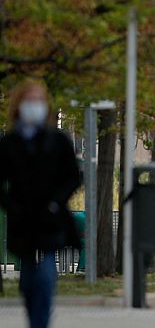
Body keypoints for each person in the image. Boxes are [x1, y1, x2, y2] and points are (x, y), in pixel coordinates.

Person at [0, 80, 81, 328]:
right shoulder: (10, 143)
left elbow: (73, 176)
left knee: (45, 277)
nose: (34, 107)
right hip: (23, 223)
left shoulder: (57, 140)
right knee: (28, 283)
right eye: (29, 101)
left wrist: (56, 201)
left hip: (49, 220)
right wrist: (12, 206)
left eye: (38, 101)